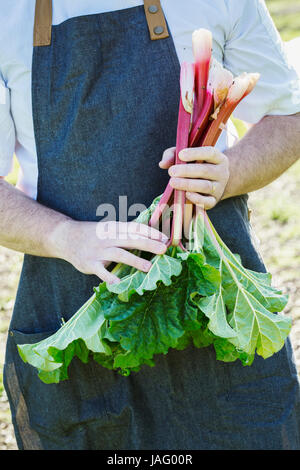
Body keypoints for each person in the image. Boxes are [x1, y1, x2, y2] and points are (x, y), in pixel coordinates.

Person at [1, 0, 300, 451]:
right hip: (77, 309)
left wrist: (229, 173)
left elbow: (290, 113)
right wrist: (64, 236)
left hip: (214, 301)